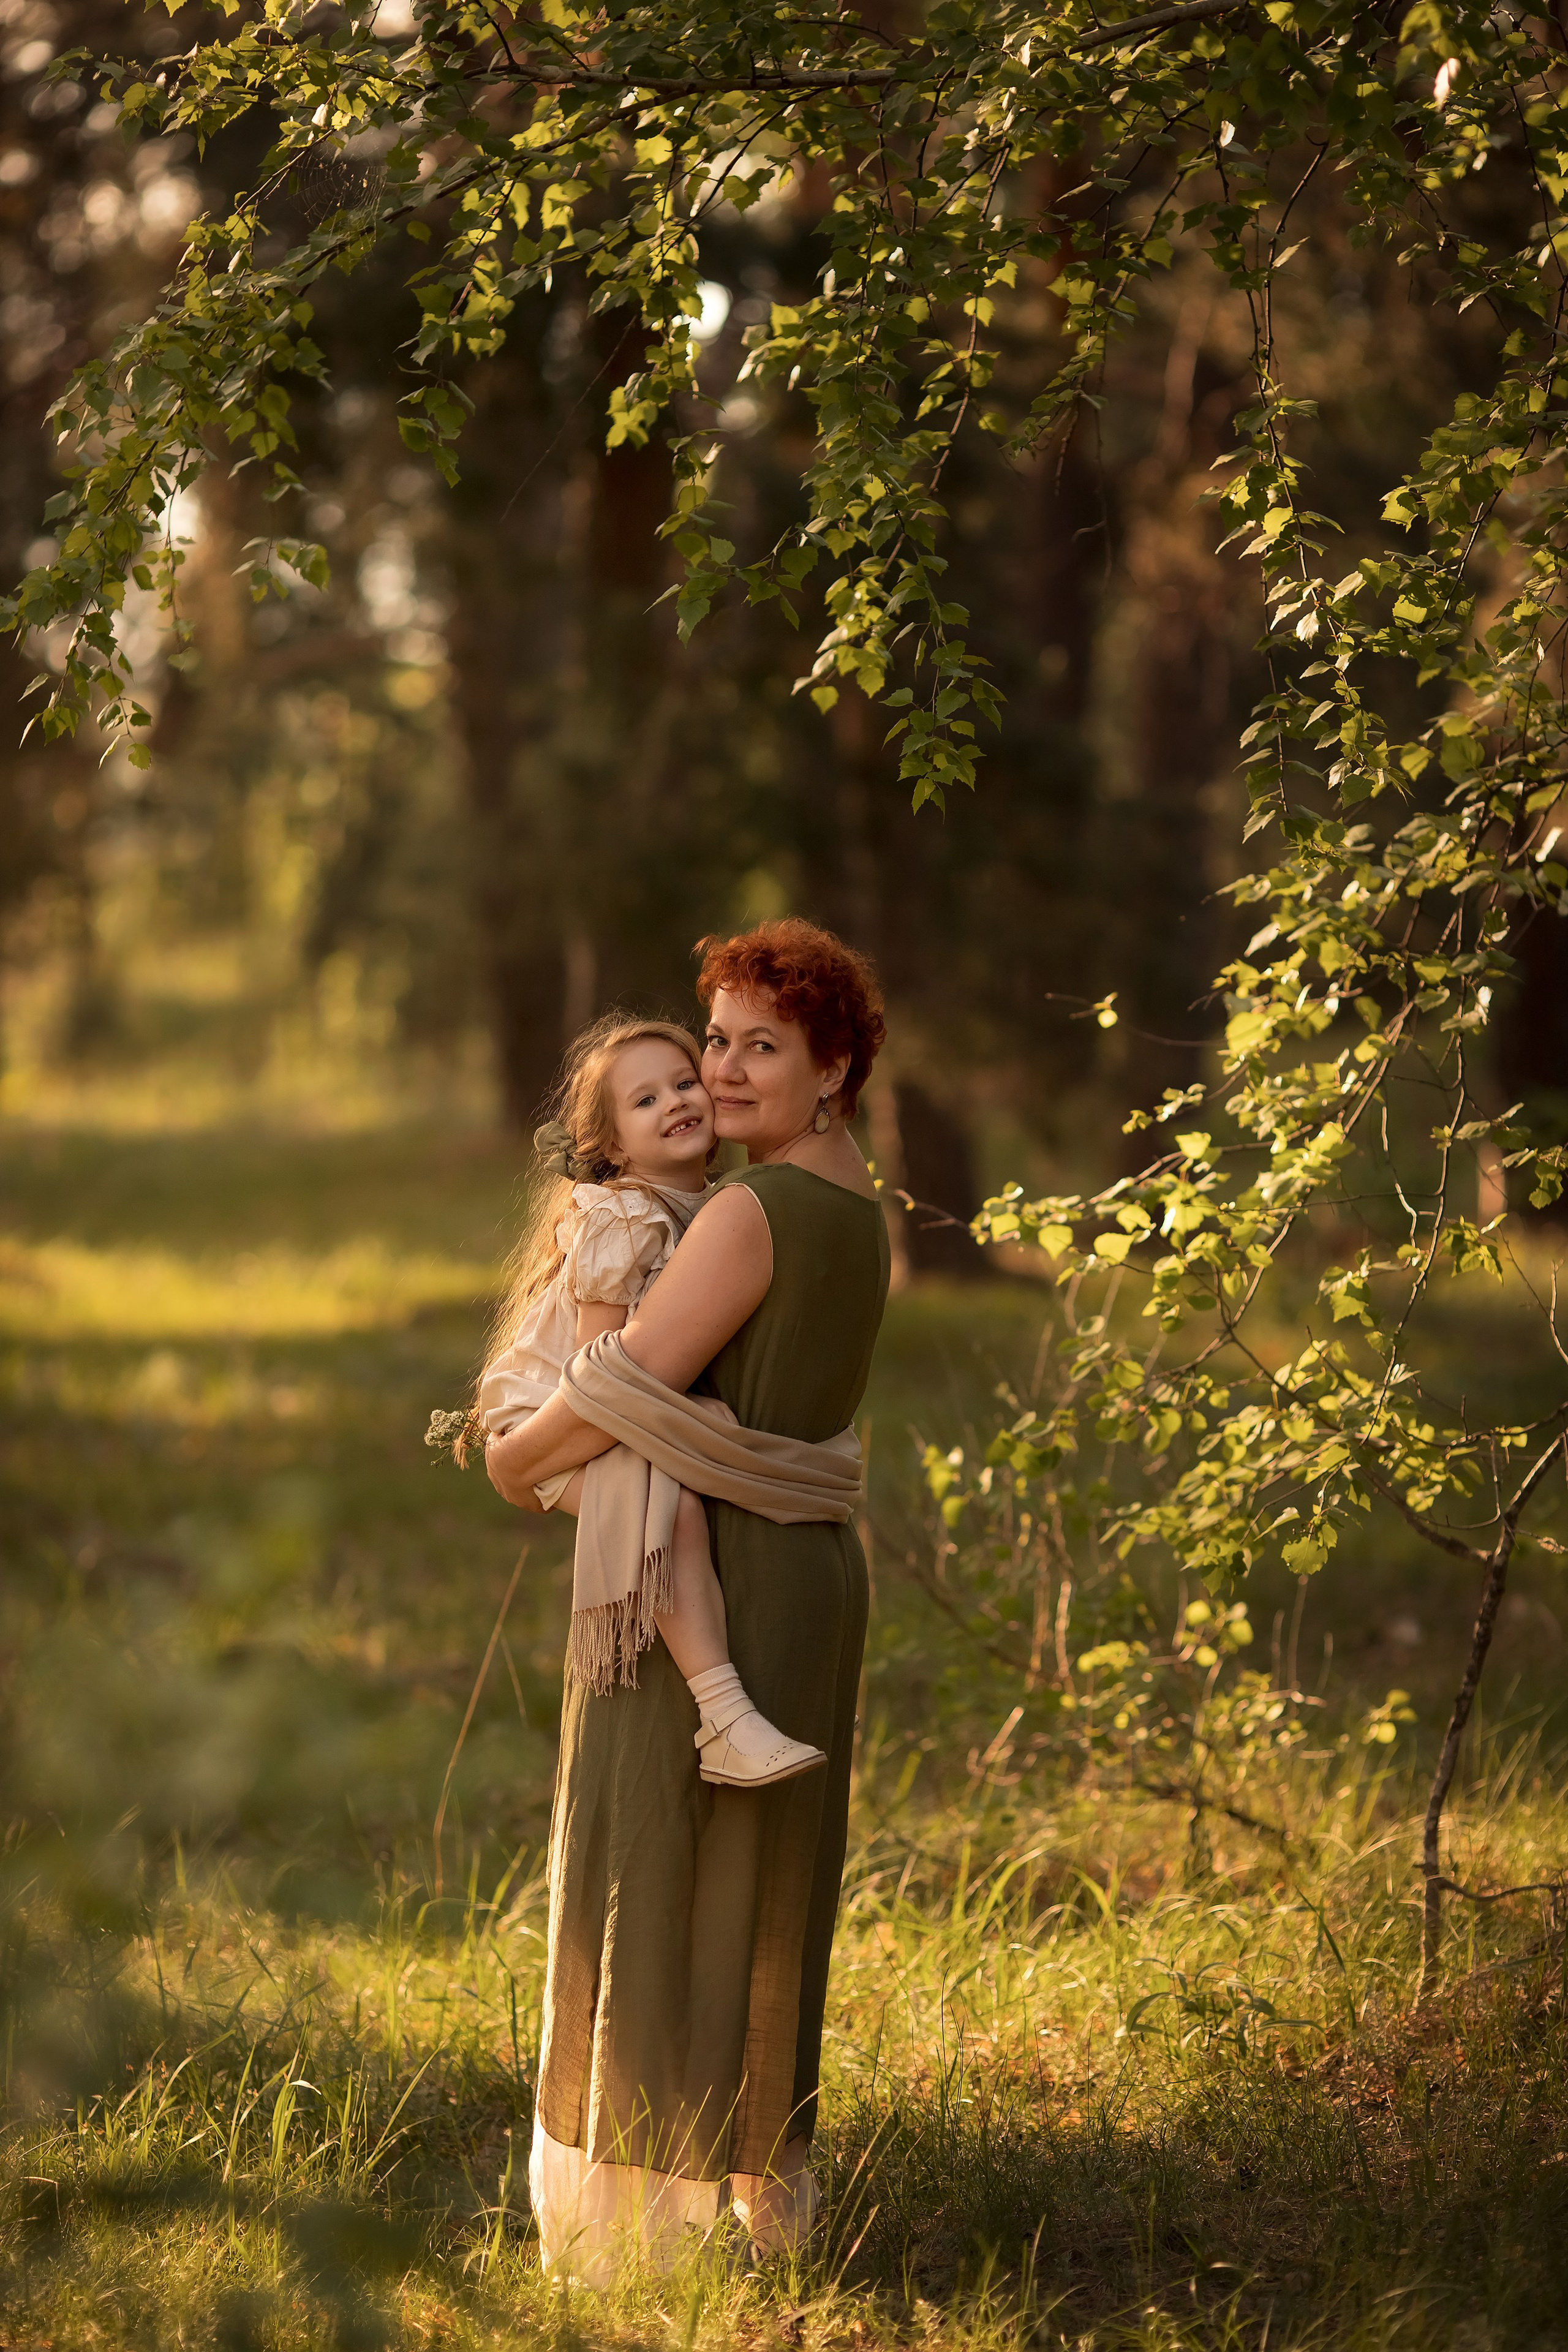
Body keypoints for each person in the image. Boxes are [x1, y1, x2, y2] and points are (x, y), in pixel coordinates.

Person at [486, 917, 891, 2281]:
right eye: (713, 1039)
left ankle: (628, 2244)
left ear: (831, 1068)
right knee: (761, 1889)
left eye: (758, 1048)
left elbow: (623, 1384)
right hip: (809, 1576)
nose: (721, 1071)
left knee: (650, 1867)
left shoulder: (750, 1209)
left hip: (723, 1568)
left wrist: (507, 1458)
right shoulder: (853, 1201)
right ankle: (758, 2203)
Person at [477, 1012, 825, 1785]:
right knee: (671, 1509)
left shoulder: (722, 1204)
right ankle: (723, 1716)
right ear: (611, 1147)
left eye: (681, 1083)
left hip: (605, 1405)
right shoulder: (625, 1217)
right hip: (548, 1411)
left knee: (685, 1493)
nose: (674, 1102)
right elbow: (598, 1376)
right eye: (644, 1101)